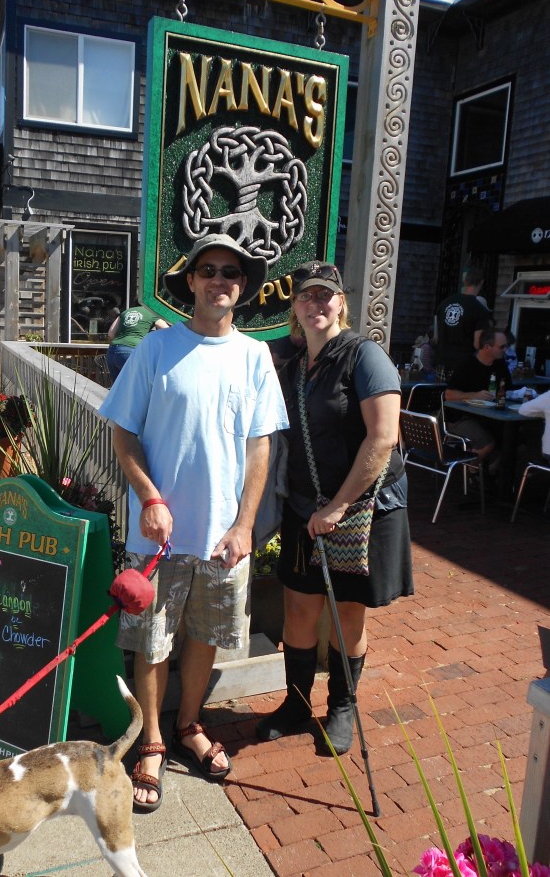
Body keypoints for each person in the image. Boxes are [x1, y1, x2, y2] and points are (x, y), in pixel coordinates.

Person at [99, 233, 288, 812]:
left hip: (222, 538)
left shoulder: (256, 357)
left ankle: (188, 725)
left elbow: (260, 449)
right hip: (157, 536)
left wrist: (244, 524)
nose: (219, 280)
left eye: (231, 272)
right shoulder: (155, 352)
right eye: (208, 269)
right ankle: (151, 741)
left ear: (243, 286)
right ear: (191, 280)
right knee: (151, 642)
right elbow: (122, 432)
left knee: (205, 634)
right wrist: (151, 497)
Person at [255, 261, 413, 754]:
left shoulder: (365, 357)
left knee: (347, 615)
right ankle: (297, 703)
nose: (316, 304)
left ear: (341, 302)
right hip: (306, 507)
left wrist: (340, 506)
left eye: (326, 296)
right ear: (294, 309)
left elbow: (383, 438)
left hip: (363, 508)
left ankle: (341, 706)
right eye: (306, 297)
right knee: (298, 609)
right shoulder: (295, 359)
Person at [444, 328, 514, 467]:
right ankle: (472, 472)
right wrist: (474, 395)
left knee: (515, 441)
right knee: (487, 444)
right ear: (487, 347)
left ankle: (493, 474)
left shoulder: (500, 364)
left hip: (491, 416)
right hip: (460, 418)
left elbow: (508, 389)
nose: (505, 350)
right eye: (502, 346)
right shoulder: (466, 364)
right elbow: (449, 395)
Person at [433, 266, 492, 379]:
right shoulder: (480, 310)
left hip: (441, 362)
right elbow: (477, 343)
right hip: (464, 365)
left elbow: (436, 338)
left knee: (441, 395)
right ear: (481, 282)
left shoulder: (444, 303)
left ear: (465, 282)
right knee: (460, 396)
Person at [106, 303, 170, 383]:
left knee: (117, 389)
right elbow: (167, 331)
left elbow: (111, 333)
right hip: (130, 351)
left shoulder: (126, 311)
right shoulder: (153, 313)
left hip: (112, 351)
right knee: (136, 387)